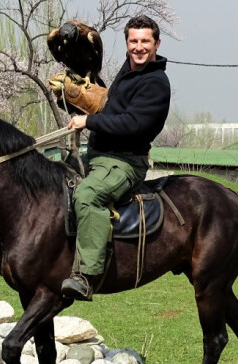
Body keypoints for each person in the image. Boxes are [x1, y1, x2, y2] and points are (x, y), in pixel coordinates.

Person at [61, 15, 171, 301]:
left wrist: (89, 121)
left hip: (124, 162)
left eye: (145, 41)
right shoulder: (128, 71)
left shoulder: (156, 83)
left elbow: (133, 124)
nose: (139, 47)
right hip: (99, 155)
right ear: (126, 44)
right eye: (133, 41)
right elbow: (111, 105)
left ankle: (86, 276)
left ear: (156, 43)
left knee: (87, 195)